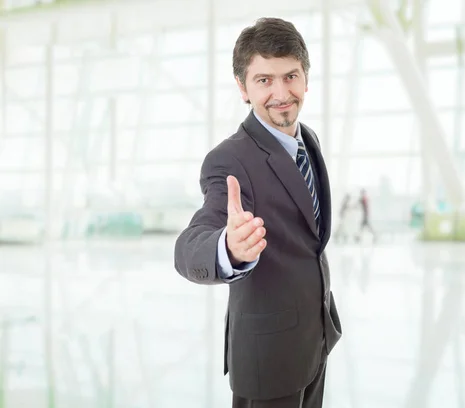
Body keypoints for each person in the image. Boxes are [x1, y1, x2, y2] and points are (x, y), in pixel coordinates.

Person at [173, 17, 342, 408]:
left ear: (305, 78)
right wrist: (227, 248)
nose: (281, 93)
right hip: (269, 358)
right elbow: (191, 244)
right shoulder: (230, 159)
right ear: (242, 88)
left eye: (290, 76)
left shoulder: (307, 139)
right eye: (264, 80)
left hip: (316, 340)